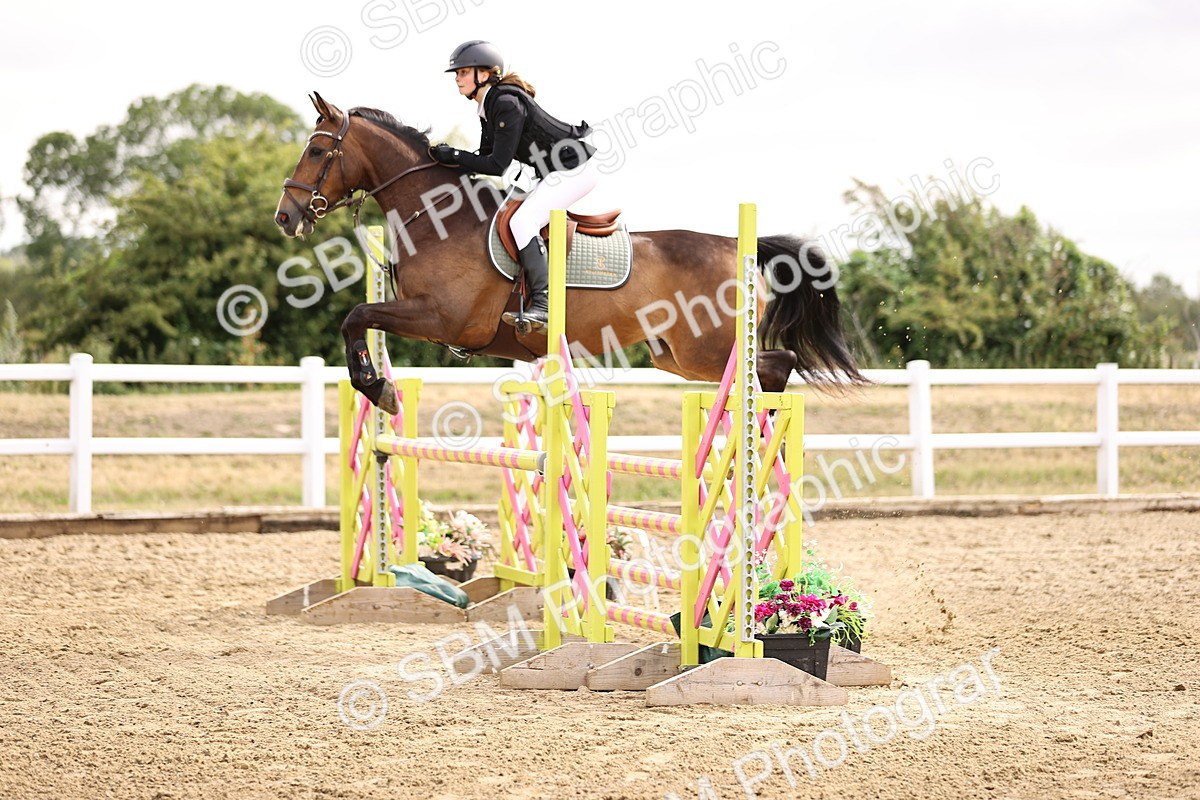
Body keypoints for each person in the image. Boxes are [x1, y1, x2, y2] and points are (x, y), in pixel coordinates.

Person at [430, 40, 598, 331]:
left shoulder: (506, 103)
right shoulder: (488, 106)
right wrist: (447, 161)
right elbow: (482, 157)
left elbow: (497, 165)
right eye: (457, 73)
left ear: (485, 74)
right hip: (555, 171)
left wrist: (454, 155)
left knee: (522, 222)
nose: (457, 78)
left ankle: (544, 306)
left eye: (462, 72)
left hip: (576, 168)